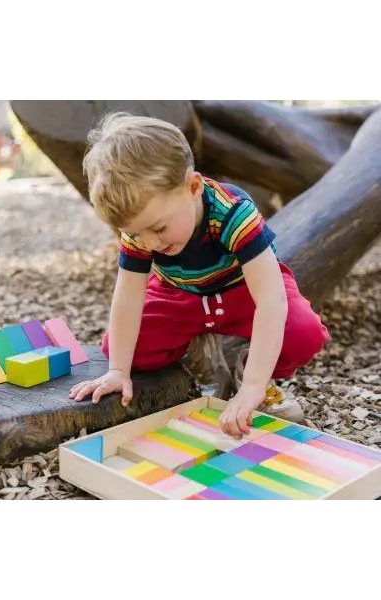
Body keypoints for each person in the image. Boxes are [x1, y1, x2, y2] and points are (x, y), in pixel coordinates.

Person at [69, 111, 330, 439]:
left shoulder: (233, 212)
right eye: (136, 234)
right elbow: (128, 297)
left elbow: (270, 299)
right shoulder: (143, 227)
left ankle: (252, 365)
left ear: (192, 186)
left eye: (159, 228)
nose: (150, 243)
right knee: (120, 347)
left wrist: (253, 386)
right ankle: (200, 350)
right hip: (179, 295)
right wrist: (118, 370)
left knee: (303, 332)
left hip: (241, 294)